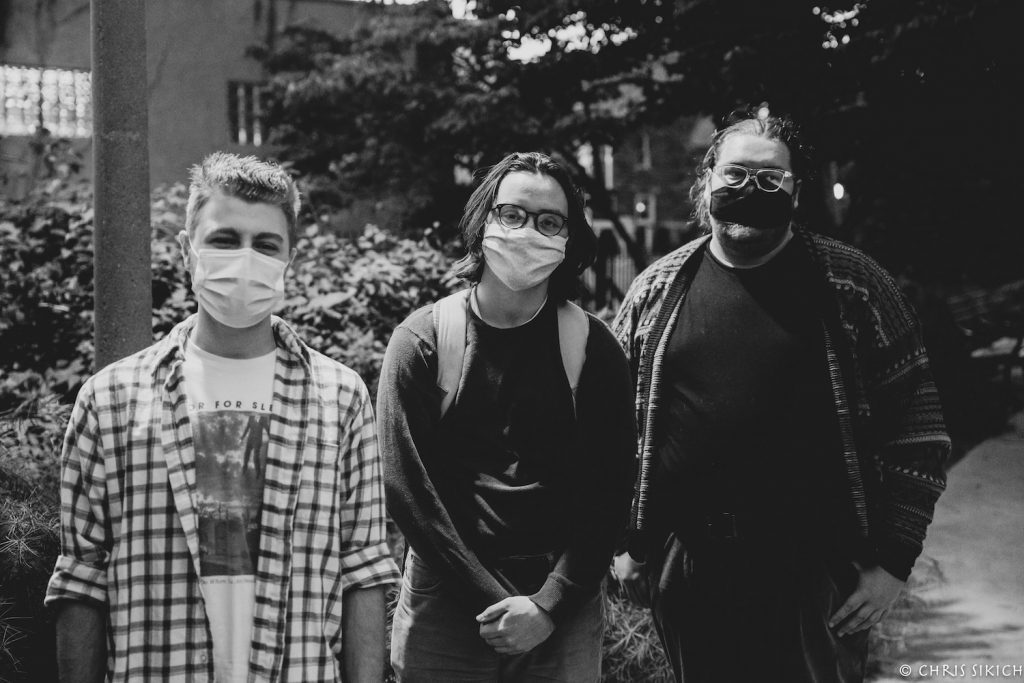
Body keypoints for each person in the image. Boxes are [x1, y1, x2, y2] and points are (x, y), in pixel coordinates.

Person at [610, 110, 949, 682]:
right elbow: (613, 428)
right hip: (689, 566)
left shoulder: (853, 286)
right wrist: (629, 542)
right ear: (707, 181)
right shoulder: (656, 290)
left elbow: (919, 428)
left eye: (771, 178)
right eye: (736, 174)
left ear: (795, 193)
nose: (751, 189)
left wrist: (893, 563)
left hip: (816, 571)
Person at [45, 152, 399, 683]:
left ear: (289, 258)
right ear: (186, 251)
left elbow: (363, 571)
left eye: (265, 244)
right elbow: (82, 579)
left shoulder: (341, 398)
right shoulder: (110, 399)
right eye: (225, 239)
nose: (244, 258)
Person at [378, 151, 636, 682]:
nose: (528, 232)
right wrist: (491, 599)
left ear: (569, 240)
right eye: (512, 214)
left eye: (549, 222)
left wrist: (548, 604)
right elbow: (408, 491)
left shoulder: (594, 350)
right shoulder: (423, 342)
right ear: (483, 221)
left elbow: (610, 488)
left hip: (560, 605)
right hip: (445, 603)